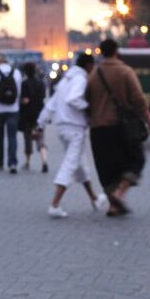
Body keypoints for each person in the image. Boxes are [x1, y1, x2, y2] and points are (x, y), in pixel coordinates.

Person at [86, 39, 150, 217]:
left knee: (107, 168)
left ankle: (113, 206)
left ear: (101, 52)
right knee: (136, 160)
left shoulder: (94, 74)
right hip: (121, 127)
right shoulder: (125, 71)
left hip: (98, 129)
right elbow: (139, 100)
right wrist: (148, 122)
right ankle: (120, 193)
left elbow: (86, 100)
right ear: (117, 51)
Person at [36, 54, 106, 217]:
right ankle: (54, 204)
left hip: (62, 128)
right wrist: (90, 109)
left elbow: (51, 104)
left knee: (79, 164)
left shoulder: (65, 81)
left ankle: (94, 198)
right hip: (75, 128)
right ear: (88, 66)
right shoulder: (80, 80)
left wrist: (40, 124)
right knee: (70, 164)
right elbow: (73, 99)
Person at [0, 55, 23, 173]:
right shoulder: (16, 72)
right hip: (13, 109)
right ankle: (12, 162)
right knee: (12, 136)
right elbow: (19, 92)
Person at [18, 62, 49, 172]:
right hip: (40, 113)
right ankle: (44, 161)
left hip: (27, 114)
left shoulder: (25, 83)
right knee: (40, 138)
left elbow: (25, 100)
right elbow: (44, 96)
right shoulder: (41, 82)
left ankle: (28, 162)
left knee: (28, 139)